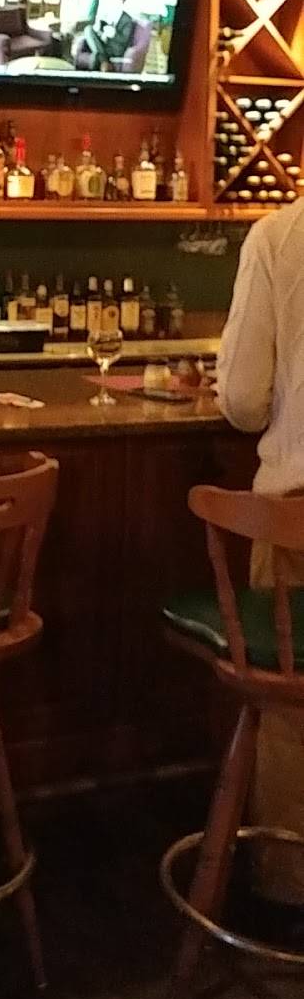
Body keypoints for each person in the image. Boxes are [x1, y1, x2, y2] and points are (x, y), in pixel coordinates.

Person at [218, 198, 304, 917]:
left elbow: (244, 400)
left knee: (290, 702)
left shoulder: (281, 236)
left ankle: (288, 885)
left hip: (298, 515)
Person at [82, 0, 135, 70]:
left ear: (121, 1)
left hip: (115, 48)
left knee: (96, 55)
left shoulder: (127, 19)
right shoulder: (109, 14)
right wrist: (99, 29)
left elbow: (125, 40)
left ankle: (103, 60)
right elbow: (102, 30)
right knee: (88, 29)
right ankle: (104, 61)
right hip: (104, 44)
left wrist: (114, 34)